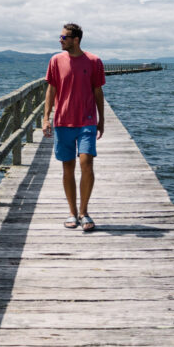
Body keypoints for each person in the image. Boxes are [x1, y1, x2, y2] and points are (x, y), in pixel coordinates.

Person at [42, 22, 105, 231]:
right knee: (67, 168)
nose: (60, 40)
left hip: (86, 121)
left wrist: (101, 119)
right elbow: (50, 90)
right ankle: (72, 212)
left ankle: (84, 211)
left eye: (63, 37)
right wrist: (45, 118)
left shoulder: (94, 61)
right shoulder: (55, 60)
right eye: (60, 37)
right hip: (62, 121)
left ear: (75, 39)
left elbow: (98, 91)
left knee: (86, 164)